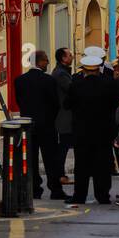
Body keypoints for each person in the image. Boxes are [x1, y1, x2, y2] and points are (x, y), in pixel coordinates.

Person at [63, 56, 118, 207]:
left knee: (82, 164)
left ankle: (79, 195)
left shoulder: (76, 85)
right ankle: (103, 195)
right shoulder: (108, 84)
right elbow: (115, 105)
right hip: (103, 131)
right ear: (98, 69)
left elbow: (67, 105)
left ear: (85, 69)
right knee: (103, 164)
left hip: (82, 131)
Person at [14, 50, 64, 200]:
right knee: (51, 159)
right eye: (46, 60)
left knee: (30, 159)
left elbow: (19, 101)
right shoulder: (48, 80)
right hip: (47, 125)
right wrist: (50, 118)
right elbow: (55, 103)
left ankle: (34, 189)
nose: (48, 63)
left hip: (27, 125)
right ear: (40, 62)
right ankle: (55, 189)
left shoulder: (19, 80)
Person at [51, 47, 74, 186]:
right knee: (63, 148)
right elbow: (71, 90)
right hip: (64, 117)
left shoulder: (61, 72)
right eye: (69, 55)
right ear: (63, 59)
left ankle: (60, 174)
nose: (72, 56)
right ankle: (59, 175)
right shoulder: (61, 74)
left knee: (64, 147)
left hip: (64, 115)